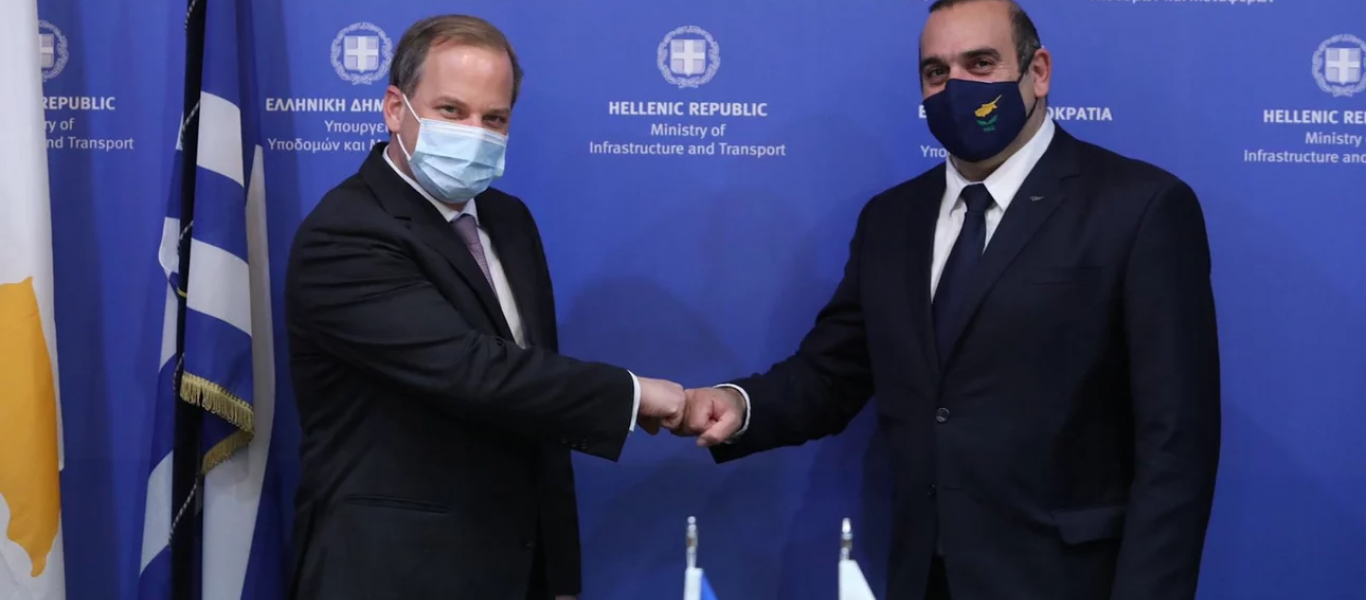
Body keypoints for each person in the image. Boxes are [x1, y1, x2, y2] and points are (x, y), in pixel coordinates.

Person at [678, 0, 1222, 598]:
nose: (955, 87)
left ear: (1038, 72)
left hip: (1069, 580)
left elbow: (1176, 444)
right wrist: (737, 405)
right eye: (936, 72)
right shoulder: (892, 220)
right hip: (924, 577)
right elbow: (832, 374)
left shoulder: (1139, 207)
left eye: (981, 64)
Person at [283, 15, 686, 600]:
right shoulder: (345, 232)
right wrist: (634, 394)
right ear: (395, 108)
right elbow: (472, 370)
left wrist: (560, 576)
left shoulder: (509, 219)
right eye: (451, 110)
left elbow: (538, 403)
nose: (474, 133)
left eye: (493, 119)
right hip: (392, 574)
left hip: (517, 571)